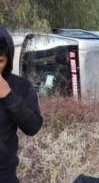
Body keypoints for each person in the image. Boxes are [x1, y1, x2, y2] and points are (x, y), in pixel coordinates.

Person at [0, 26, 43, 183]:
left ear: (8, 59)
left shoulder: (20, 86)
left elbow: (33, 127)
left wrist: (8, 95)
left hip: (4, 174)